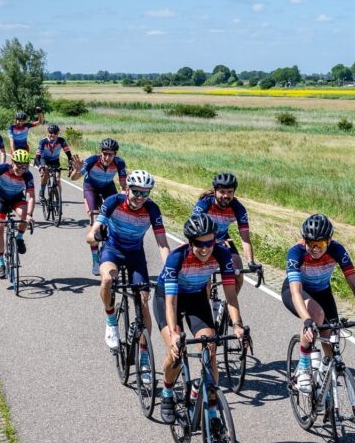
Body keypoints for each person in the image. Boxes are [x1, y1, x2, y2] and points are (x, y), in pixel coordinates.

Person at [155, 213, 244, 424]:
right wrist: (175, 335)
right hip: (168, 299)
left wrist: (238, 325)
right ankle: (167, 393)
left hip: (196, 298)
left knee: (209, 349)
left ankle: (212, 407)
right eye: (198, 244)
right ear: (189, 242)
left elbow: (230, 297)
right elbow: (171, 303)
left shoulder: (222, 255)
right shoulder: (176, 259)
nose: (205, 249)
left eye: (209, 243)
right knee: (176, 353)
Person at [87, 171, 171, 383]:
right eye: (136, 192)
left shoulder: (152, 208)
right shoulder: (113, 201)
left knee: (143, 302)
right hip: (113, 250)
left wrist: (170, 269)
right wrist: (96, 235)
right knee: (107, 279)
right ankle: (111, 320)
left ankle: (143, 356)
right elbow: (91, 234)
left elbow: (162, 243)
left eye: (145, 193)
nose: (140, 197)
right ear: (126, 189)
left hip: (135, 255)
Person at [282, 213, 355, 394]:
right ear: (304, 240)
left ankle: (325, 386)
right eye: (310, 243)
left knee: (332, 339)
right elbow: (295, 291)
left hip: (323, 292)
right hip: (297, 291)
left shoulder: (338, 250)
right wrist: (307, 320)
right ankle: (303, 365)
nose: (315, 249)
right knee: (316, 315)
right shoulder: (296, 253)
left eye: (321, 244)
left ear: (330, 241)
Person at [192, 172, 259, 295]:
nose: (226, 195)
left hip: (223, 240)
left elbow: (245, 238)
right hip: (203, 241)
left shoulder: (238, 208)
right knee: (204, 282)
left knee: (238, 271)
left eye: (229, 192)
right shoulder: (204, 204)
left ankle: (229, 310)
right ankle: (205, 310)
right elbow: (193, 230)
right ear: (215, 191)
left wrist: (251, 261)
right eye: (222, 192)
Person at [69, 138, 128, 275]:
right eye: (105, 153)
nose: (107, 157)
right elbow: (74, 178)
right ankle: (95, 260)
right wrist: (77, 170)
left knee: (116, 216)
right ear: (100, 152)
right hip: (91, 188)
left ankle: (113, 249)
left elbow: (123, 186)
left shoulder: (119, 163)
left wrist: (124, 200)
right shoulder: (91, 161)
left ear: (115, 154)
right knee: (95, 220)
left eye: (111, 154)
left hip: (108, 187)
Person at [0, 150, 35, 279]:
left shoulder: (28, 175)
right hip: (0, 199)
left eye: (25, 166)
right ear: (12, 162)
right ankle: (0, 263)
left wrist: (29, 215)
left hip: (16, 198)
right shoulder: (3, 168)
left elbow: (31, 196)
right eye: (18, 165)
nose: (21, 169)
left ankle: (20, 237)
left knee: (24, 215)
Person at [35, 123, 72, 201]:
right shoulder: (43, 142)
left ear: (58, 133)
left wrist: (70, 165)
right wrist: (40, 166)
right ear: (47, 132)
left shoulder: (61, 140)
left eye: (55, 133)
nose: (53, 135)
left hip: (55, 161)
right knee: (45, 174)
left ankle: (59, 199)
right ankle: (41, 193)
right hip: (44, 160)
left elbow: (68, 154)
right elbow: (37, 157)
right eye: (51, 133)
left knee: (58, 180)